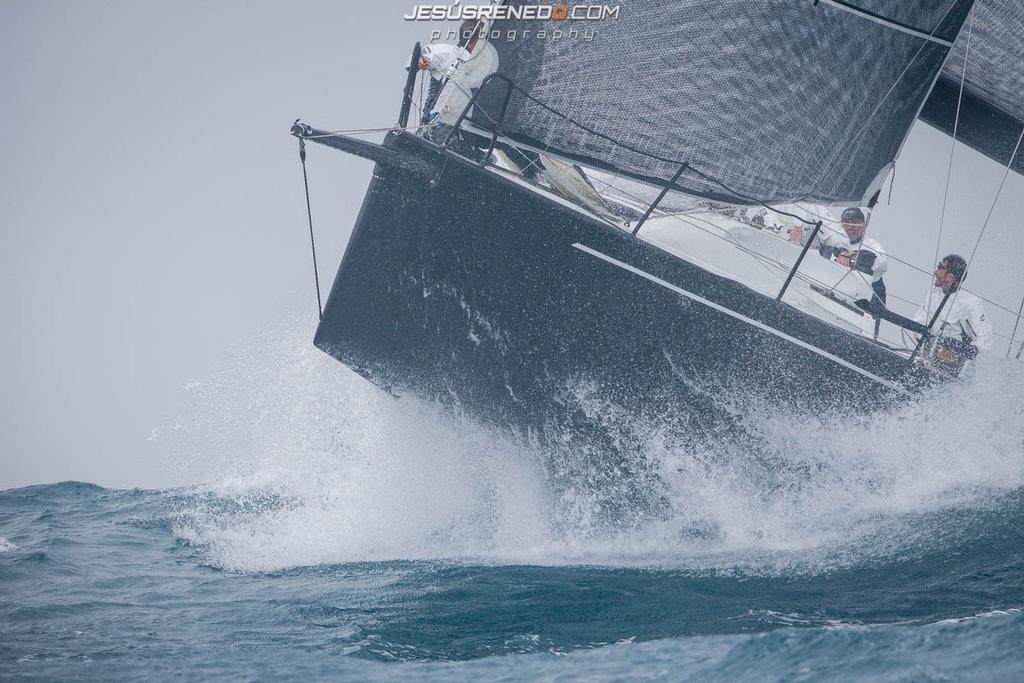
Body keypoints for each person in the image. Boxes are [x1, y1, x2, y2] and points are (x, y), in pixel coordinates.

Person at [417, 18, 499, 152]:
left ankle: (476, 155)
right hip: (437, 123)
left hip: (463, 124)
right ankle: (473, 154)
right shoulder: (447, 52)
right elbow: (418, 58)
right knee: (443, 139)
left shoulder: (483, 63)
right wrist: (419, 62)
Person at [904, 254, 993, 373]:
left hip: (949, 367)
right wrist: (927, 336)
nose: (935, 272)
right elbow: (919, 320)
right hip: (925, 357)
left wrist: (963, 349)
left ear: (950, 277)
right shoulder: (933, 293)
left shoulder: (969, 304)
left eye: (940, 268)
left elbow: (985, 338)